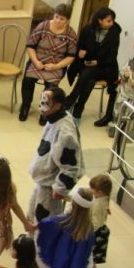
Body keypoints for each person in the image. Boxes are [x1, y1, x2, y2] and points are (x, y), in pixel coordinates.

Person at [27, 87, 82, 222]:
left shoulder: (65, 133)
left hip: (50, 188)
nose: (41, 107)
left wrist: (60, 188)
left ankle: (39, 243)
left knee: (44, 225)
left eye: (46, 103)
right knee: (31, 215)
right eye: (41, 101)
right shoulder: (54, 118)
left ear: (57, 105)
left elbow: (72, 167)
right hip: (42, 181)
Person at [37, 187, 96, 268]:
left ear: (74, 204)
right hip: (75, 264)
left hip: (61, 260)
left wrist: (40, 221)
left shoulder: (64, 221)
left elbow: (48, 225)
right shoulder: (88, 229)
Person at [18, 3, 77, 122]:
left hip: (56, 64)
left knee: (51, 88)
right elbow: (30, 46)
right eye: (56, 17)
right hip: (38, 59)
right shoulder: (43, 26)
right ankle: (25, 106)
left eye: (62, 19)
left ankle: (45, 111)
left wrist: (56, 66)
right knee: (28, 80)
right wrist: (35, 61)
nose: (58, 20)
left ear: (67, 20)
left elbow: (71, 56)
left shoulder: (71, 34)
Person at [66, 6, 121, 124]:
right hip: (88, 63)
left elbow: (113, 55)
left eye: (112, 20)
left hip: (106, 66)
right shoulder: (88, 29)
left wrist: (98, 62)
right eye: (108, 21)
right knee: (89, 80)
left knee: (87, 73)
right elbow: (80, 45)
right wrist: (81, 52)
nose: (111, 23)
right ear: (99, 20)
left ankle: (71, 99)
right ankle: (79, 107)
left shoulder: (115, 32)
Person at [108, 41, 134, 130]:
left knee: (128, 112)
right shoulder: (129, 62)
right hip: (123, 91)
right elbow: (121, 73)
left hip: (133, 95)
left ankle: (123, 128)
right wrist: (125, 76)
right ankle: (114, 124)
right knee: (117, 108)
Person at [88, 173, 113, 268]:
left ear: (100, 192)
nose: (90, 190)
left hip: (95, 234)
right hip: (101, 230)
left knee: (90, 260)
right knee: (92, 261)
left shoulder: (98, 204)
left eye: (92, 189)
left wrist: (85, 232)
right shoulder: (104, 199)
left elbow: (95, 223)